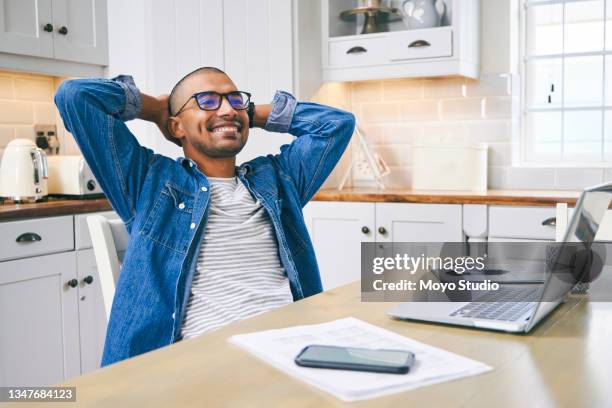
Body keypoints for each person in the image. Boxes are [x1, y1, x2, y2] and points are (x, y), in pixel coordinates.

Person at [54, 67, 355, 366]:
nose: (227, 109)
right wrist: (155, 108)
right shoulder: (149, 181)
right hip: (203, 363)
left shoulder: (277, 179)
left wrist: (248, 113)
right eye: (207, 101)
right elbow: (76, 96)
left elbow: (337, 124)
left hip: (292, 350)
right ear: (176, 127)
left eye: (235, 100)